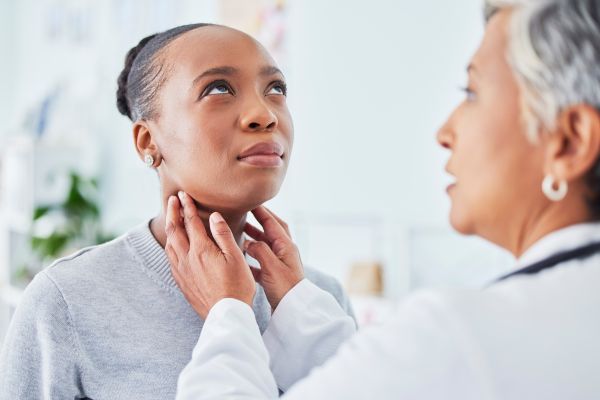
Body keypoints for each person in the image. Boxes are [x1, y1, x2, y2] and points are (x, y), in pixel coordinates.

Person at [167, 0, 600, 398]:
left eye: (471, 93)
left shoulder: (459, 336)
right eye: (219, 88)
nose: (444, 132)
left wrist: (227, 314)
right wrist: (299, 308)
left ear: (569, 142)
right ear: (147, 140)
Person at [0, 24, 354, 399]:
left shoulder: (319, 300)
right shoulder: (66, 301)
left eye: (276, 89)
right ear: (148, 140)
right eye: (218, 88)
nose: (264, 114)